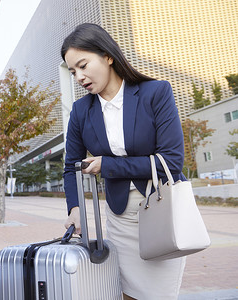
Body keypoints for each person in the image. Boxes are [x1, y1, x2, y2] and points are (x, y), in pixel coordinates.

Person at [61, 23, 186, 300]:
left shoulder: (156, 92)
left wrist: (108, 165)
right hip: (119, 218)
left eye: (83, 65)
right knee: (125, 294)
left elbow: (172, 161)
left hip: (163, 213)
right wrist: (74, 207)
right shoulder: (81, 111)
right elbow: (72, 165)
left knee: (158, 295)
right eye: (73, 72)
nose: (79, 77)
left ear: (107, 56)